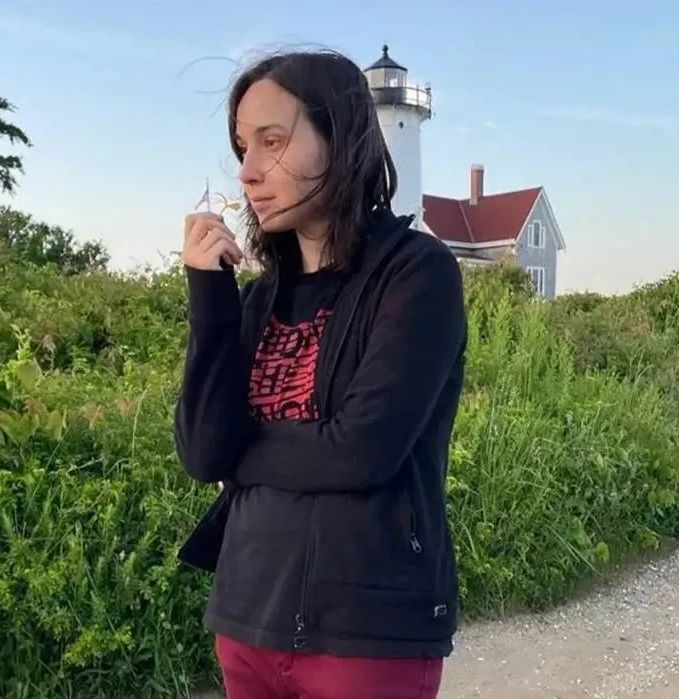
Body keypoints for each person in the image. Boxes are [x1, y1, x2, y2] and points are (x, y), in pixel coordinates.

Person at [173, 48, 467, 699]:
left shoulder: (416, 274)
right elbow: (202, 451)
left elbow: (361, 451)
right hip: (248, 617)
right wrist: (211, 299)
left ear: (340, 137)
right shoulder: (258, 299)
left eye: (272, 141)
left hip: (369, 630)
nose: (247, 171)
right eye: (242, 147)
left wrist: (243, 452)